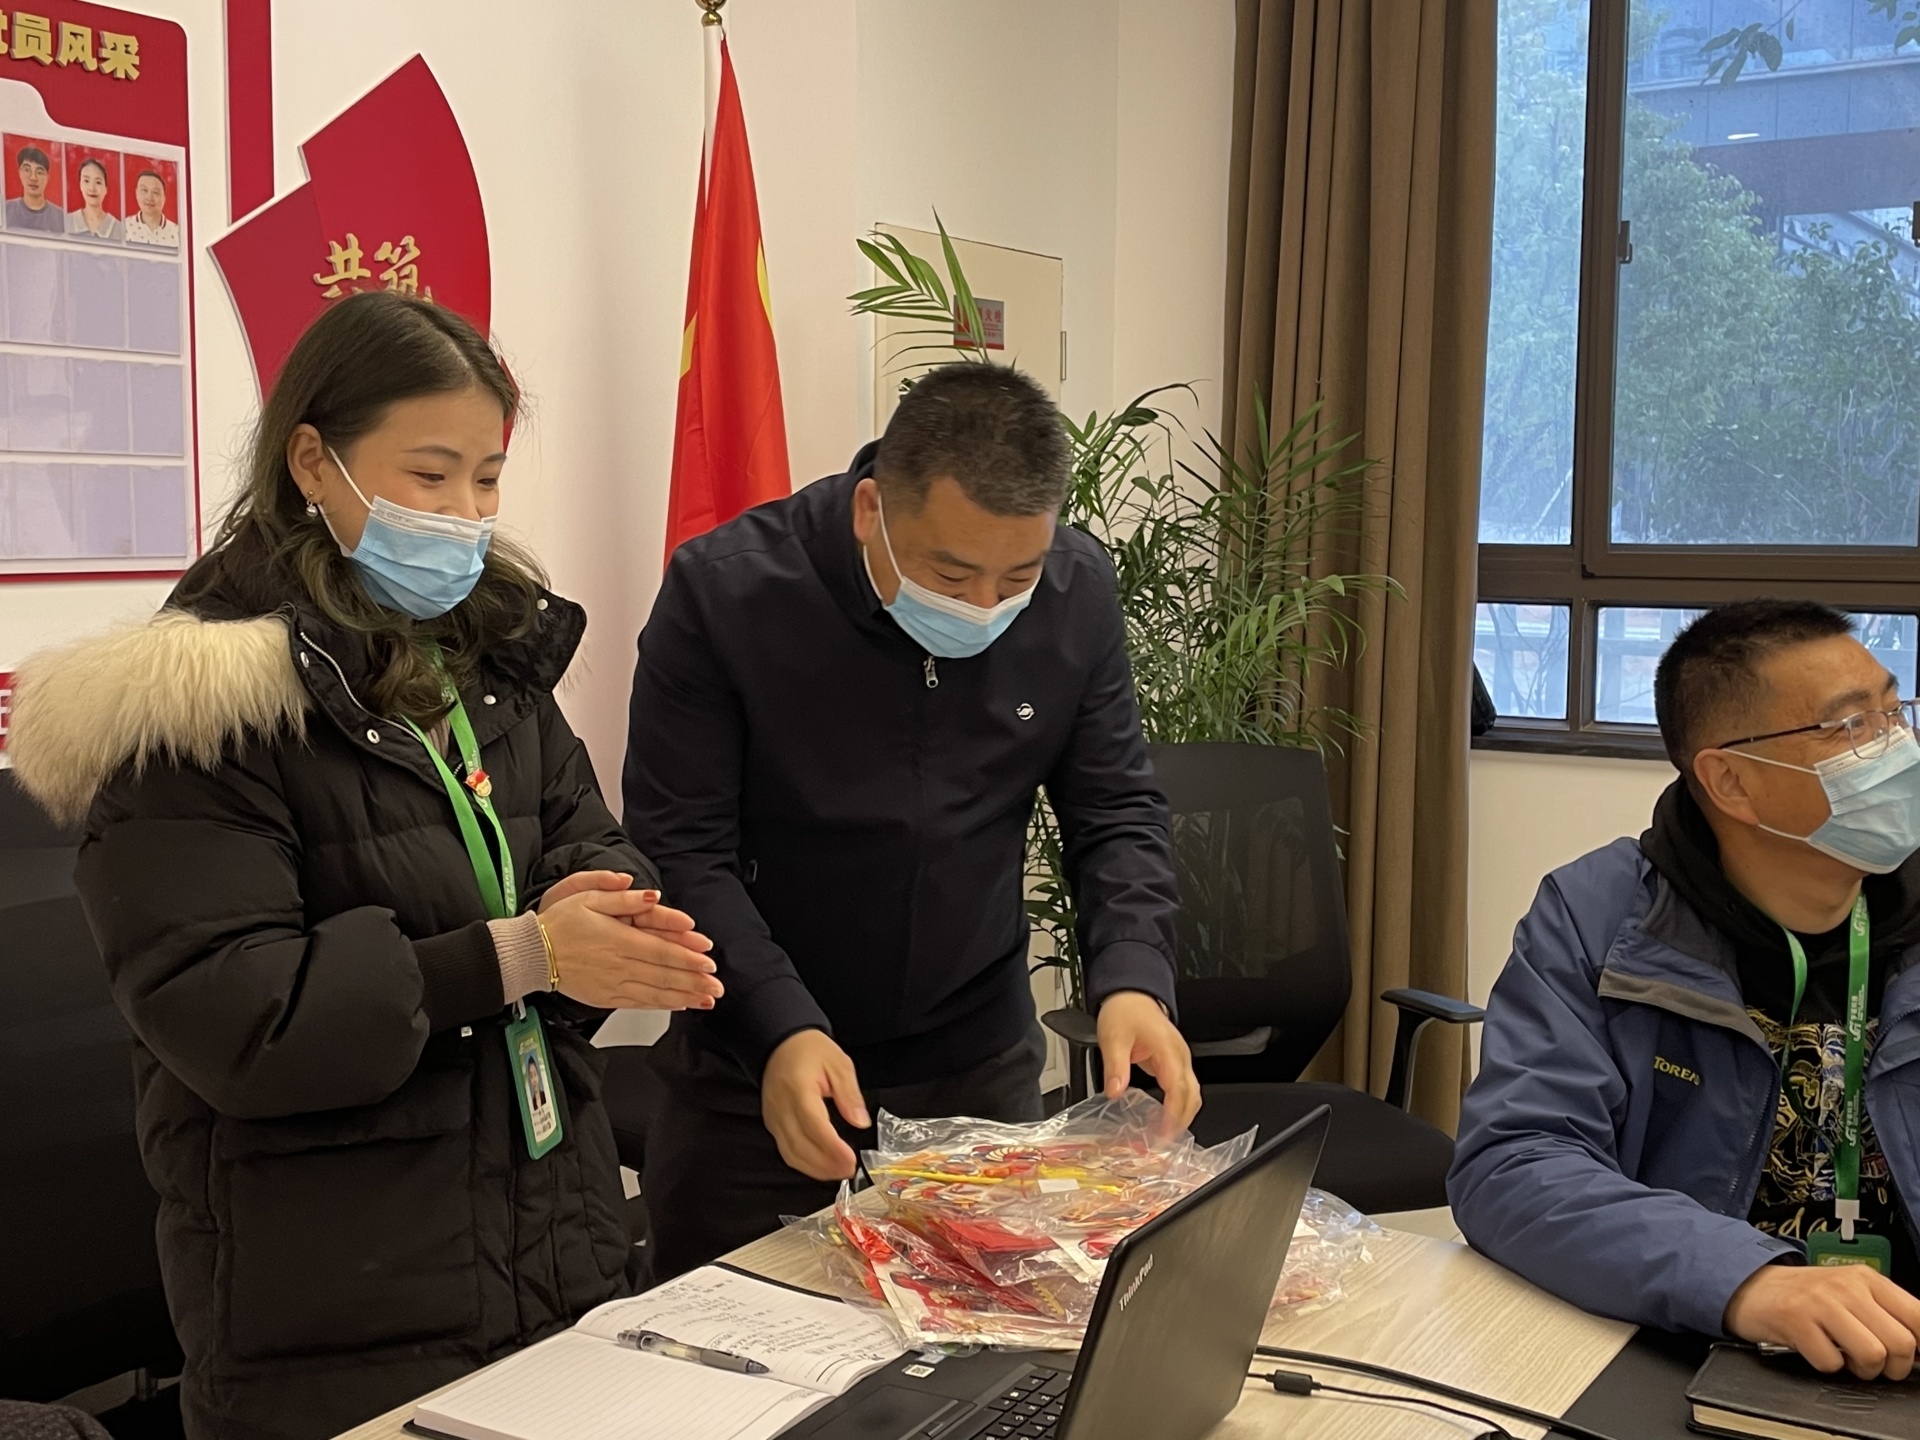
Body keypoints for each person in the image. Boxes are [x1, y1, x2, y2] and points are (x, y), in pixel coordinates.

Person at [7, 292, 726, 1440]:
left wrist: (597, 907)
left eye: (487, 479)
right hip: (336, 1303)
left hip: (552, 1241)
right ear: (313, 462)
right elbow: (242, 1016)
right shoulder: (197, 713)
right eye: (430, 476)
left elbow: (582, 829)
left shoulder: (484, 657)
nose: (468, 516)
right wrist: (521, 955)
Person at [624, 362, 1199, 1279]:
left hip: (977, 1063)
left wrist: (1133, 976)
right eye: (951, 573)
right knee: (729, 1341)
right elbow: (682, 846)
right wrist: (778, 1025)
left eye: (1017, 576)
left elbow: (1114, 807)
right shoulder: (727, 593)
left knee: (988, 1339)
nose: (986, 606)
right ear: (871, 511)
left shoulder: (1077, 590)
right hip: (757, 1068)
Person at [1450, 600, 1920, 1383]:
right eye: (1850, 727)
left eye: (1893, 712)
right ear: (1731, 780)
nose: (1894, 748)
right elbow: (1515, 1163)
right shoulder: (1598, 917)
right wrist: (1744, 1280)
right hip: (1691, 1334)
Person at [5, 144, 62, 233]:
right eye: (27, 170)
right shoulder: (5, 210)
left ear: (47, 177)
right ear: (20, 173)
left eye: (39, 172)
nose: (33, 178)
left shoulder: (61, 217)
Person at [66, 156, 123, 241]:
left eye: (98, 182)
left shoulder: (119, 228)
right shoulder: (67, 221)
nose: (92, 188)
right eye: (86, 181)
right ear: (80, 185)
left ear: (106, 189)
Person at [123, 167, 178, 246]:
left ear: (164, 198)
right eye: (144, 190)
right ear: (136, 193)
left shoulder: (177, 232)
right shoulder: (123, 227)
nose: (149, 197)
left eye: (155, 192)